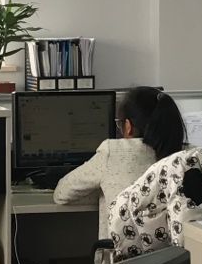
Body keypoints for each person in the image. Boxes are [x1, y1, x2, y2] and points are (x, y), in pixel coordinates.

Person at [52, 85, 186, 231]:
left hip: (120, 246)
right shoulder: (187, 157)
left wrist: (103, 189)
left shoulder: (113, 152)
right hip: (176, 246)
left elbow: (61, 194)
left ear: (128, 126)